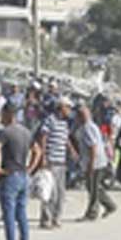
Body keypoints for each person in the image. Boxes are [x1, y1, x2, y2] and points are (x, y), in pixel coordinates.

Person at [0, 102, 37, 240]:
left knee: (9, 215)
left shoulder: (5, 132)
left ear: (7, 114)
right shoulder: (26, 132)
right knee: (21, 214)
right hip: (23, 175)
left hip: (10, 175)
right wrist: (30, 168)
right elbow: (37, 151)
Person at [38, 97, 75, 229]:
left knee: (60, 192)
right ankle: (46, 219)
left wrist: (72, 150)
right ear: (62, 107)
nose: (69, 110)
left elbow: (66, 138)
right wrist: (43, 157)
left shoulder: (64, 123)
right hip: (51, 160)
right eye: (68, 107)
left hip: (61, 161)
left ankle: (56, 218)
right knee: (50, 192)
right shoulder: (50, 120)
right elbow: (43, 137)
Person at [76, 106, 117, 221]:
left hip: (95, 162)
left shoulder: (88, 128)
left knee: (93, 188)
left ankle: (92, 213)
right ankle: (110, 205)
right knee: (93, 187)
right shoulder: (90, 126)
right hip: (96, 161)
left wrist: (91, 164)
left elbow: (93, 147)